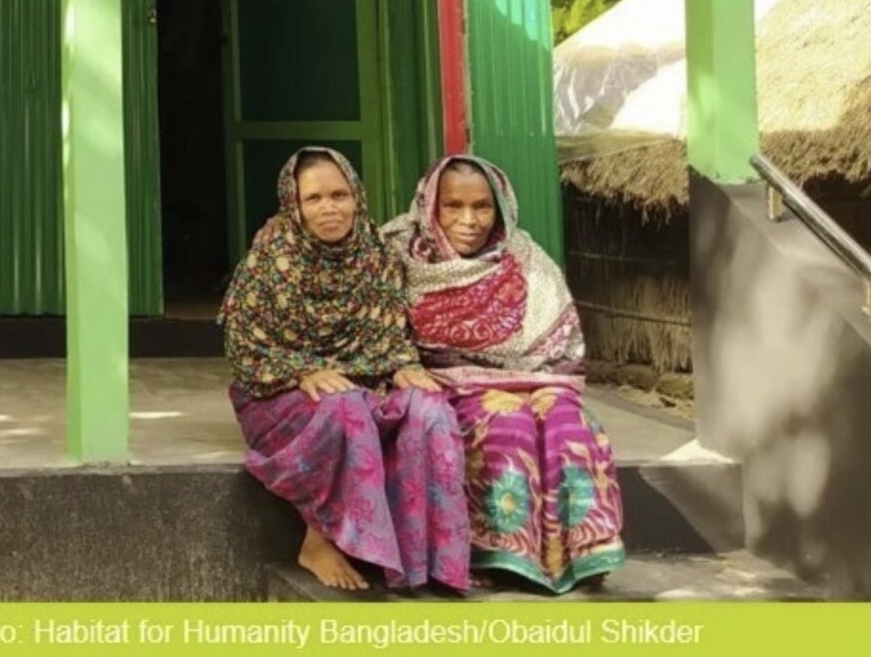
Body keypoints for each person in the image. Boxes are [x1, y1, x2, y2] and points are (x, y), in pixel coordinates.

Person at [219, 147, 471, 592]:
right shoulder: (267, 262)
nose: (329, 208)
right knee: (344, 407)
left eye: (339, 195)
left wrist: (402, 366)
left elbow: (391, 336)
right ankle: (319, 542)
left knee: (428, 408)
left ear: (357, 196)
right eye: (313, 199)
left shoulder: (377, 256)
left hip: (365, 381)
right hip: (276, 394)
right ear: (292, 204)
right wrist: (301, 371)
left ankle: (427, 561)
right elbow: (245, 350)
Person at [381, 155, 626, 593]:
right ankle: (499, 556)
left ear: (502, 207)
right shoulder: (397, 255)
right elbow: (379, 336)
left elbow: (560, 340)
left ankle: (579, 556)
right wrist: (405, 367)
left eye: (482, 207)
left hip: (539, 381)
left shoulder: (526, 256)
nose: (469, 220)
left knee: (571, 425)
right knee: (507, 423)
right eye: (453, 206)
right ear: (430, 206)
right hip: (448, 387)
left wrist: (537, 388)